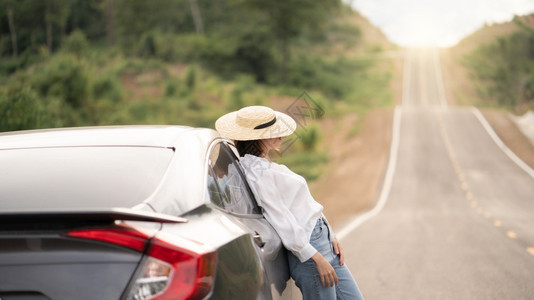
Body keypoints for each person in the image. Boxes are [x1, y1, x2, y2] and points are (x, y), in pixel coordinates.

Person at [215, 105, 364, 300]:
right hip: (309, 251)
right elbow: (281, 219)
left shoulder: (265, 166)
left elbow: (304, 204)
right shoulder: (257, 173)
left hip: (322, 240)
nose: (280, 135)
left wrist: (331, 235)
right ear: (257, 138)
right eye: (272, 132)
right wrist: (316, 257)